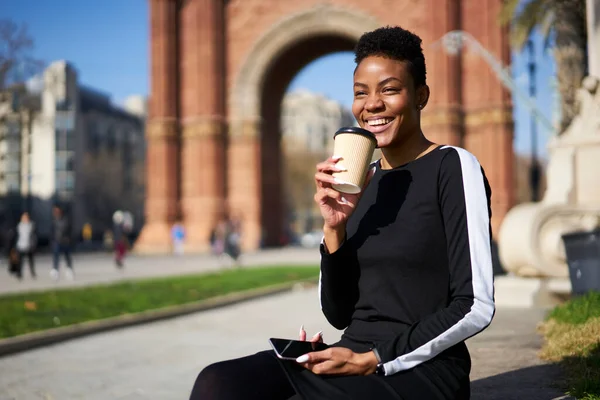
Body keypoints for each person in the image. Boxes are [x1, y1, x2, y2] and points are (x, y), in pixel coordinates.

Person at [189, 26, 495, 400]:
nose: (372, 105)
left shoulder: (453, 166)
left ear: (420, 95)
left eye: (389, 89)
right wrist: (334, 228)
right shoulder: (359, 182)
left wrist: (374, 358)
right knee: (217, 384)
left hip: (421, 369)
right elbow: (339, 315)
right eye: (360, 93)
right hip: (351, 352)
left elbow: (475, 305)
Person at [50, 205, 74, 281]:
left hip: (65, 241)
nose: (55, 212)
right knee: (56, 256)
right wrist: (52, 241)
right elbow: (52, 232)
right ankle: (55, 270)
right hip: (57, 241)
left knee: (67, 256)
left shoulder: (65, 219)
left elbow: (70, 230)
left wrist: (69, 239)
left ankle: (69, 270)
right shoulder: (54, 220)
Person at [16, 212, 37, 279]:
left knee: (31, 261)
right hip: (21, 245)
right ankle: (19, 274)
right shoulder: (19, 225)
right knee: (20, 261)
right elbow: (17, 236)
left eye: (26, 217)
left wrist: (33, 244)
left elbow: (34, 236)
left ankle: (32, 273)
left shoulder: (31, 225)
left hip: (29, 246)